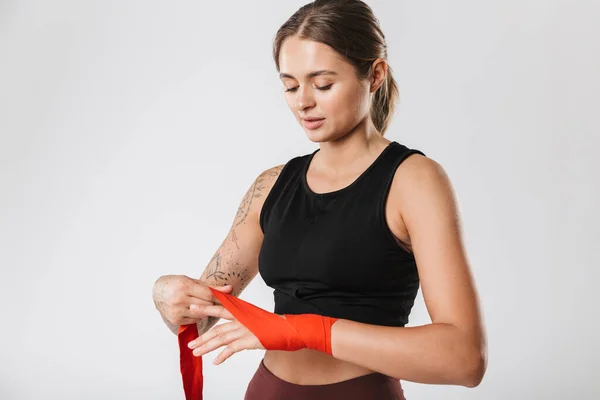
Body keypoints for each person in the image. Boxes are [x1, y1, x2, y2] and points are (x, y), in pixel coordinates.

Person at [152, 0, 487, 398]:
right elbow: (202, 318)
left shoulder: (413, 181)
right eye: (290, 85)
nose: (302, 101)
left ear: (375, 75)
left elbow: (464, 359)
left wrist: (304, 330)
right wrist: (168, 299)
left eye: (323, 84)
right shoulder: (271, 185)